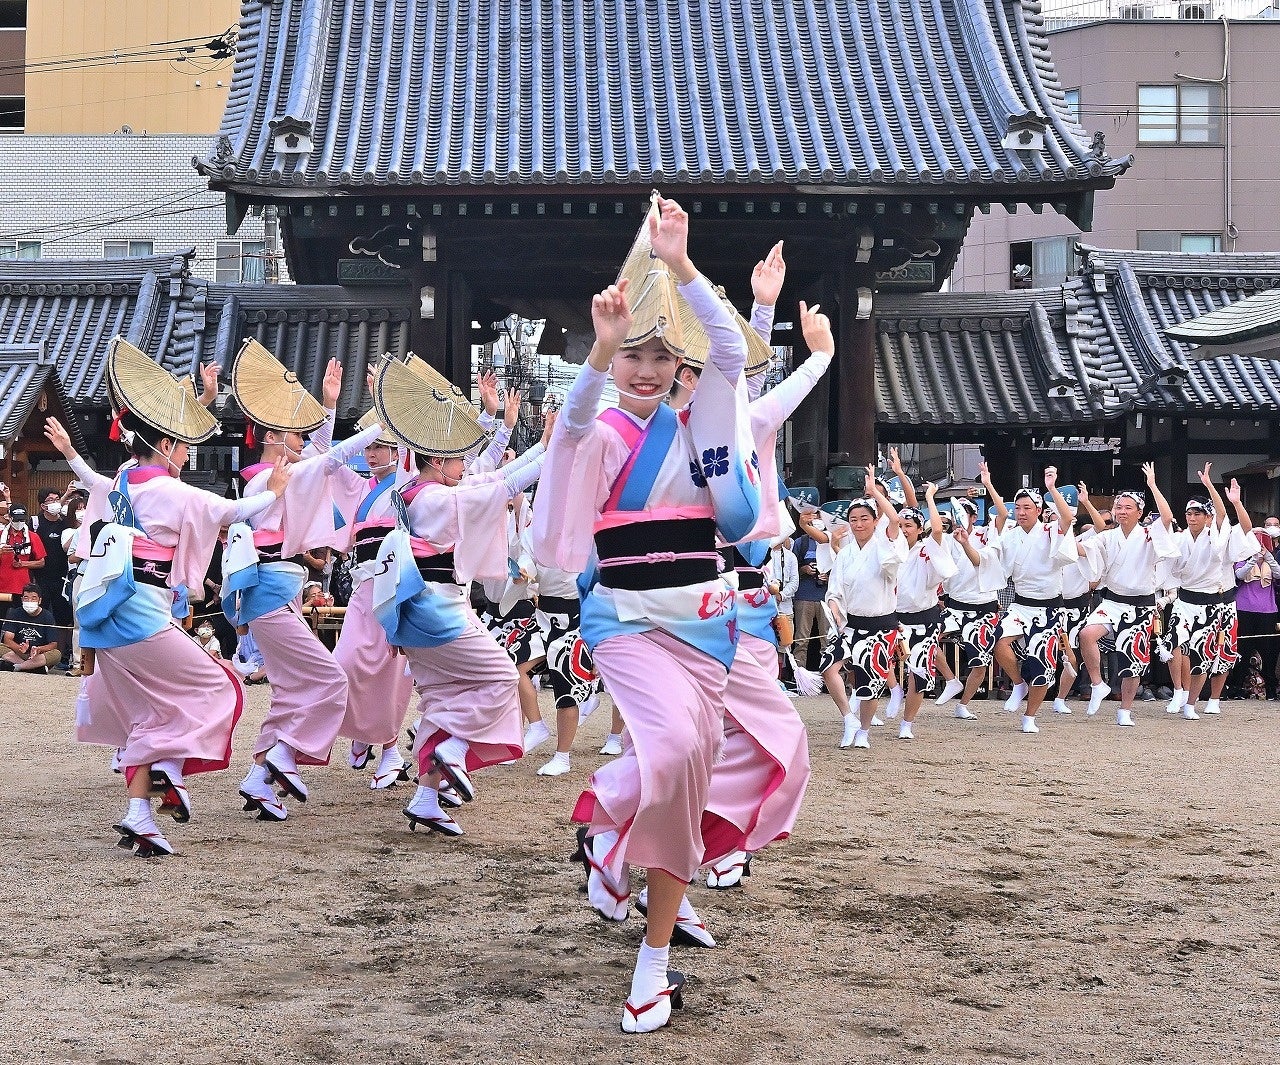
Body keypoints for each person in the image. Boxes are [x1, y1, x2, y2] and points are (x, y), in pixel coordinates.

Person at [532, 195, 761, 1033]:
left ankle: (653, 959)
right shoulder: (596, 433)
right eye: (636, 353)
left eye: (662, 355)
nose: (648, 369)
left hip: (704, 631)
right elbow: (571, 421)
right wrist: (601, 346)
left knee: (688, 773)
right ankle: (610, 834)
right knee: (666, 752)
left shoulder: (704, 427)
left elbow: (733, 350)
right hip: (627, 623)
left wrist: (684, 265)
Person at [43, 339, 289, 857]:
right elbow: (233, 513)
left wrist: (202, 400)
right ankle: (171, 769)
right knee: (221, 687)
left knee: (151, 709)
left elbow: (94, 478)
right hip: (139, 610)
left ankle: (140, 813)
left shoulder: (122, 482)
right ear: (164, 446)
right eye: (180, 447)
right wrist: (276, 491)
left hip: (107, 613)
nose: (186, 454)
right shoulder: (171, 492)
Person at [368, 353, 543, 838]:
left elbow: (488, 477)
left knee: (442, 698)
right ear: (437, 461)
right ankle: (456, 749)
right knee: (502, 678)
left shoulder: (409, 492)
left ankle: (427, 797)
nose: (464, 465)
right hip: (438, 610)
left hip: (413, 613)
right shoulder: (437, 500)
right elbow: (499, 484)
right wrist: (556, 448)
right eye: (456, 458)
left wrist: (532, 443)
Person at [226, 342, 384, 820]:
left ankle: (260, 778)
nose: (302, 440)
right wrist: (387, 421)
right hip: (270, 594)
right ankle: (284, 753)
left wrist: (329, 406)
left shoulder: (276, 476)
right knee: (331, 679)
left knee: (292, 689)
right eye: (295, 434)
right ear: (274, 437)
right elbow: (330, 459)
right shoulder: (264, 481)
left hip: (276, 593)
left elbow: (320, 457)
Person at [799, 474, 905, 749]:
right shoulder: (845, 553)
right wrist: (835, 609)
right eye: (854, 519)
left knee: (869, 684)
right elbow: (834, 590)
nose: (858, 524)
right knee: (828, 667)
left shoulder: (885, 545)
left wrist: (874, 492)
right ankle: (849, 718)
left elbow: (894, 520)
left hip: (880, 625)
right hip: (850, 624)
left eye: (864, 519)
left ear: (875, 520)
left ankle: (864, 731)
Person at [1077, 464, 1178, 726]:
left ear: (1139, 512)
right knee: (1086, 634)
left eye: (1127, 508)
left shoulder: (1150, 535)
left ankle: (1125, 710)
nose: (1121, 511)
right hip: (1112, 600)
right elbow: (1083, 550)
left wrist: (1152, 485)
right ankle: (1097, 684)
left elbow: (1167, 518)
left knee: (1132, 661)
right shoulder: (1108, 537)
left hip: (1141, 605)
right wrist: (1061, 536)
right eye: (1118, 507)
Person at [987, 467, 1077, 732]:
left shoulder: (1049, 531)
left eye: (1027, 507)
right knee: (998, 642)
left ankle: (1030, 716)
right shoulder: (1010, 536)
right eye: (1018, 508)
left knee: (1041, 666)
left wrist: (1051, 488)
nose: (1021, 512)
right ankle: (1017, 683)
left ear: (1039, 510)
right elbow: (992, 559)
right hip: (1020, 604)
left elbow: (1067, 518)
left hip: (1049, 608)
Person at [1167, 467, 1255, 718]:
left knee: (1221, 650)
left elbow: (1245, 528)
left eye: (1198, 513)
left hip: (1221, 599)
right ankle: (1179, 691)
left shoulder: (1220, 536)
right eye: (1189, 513)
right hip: (1187, 599)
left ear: (1209, 517)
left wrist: (1229, 498)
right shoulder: (1180, 538)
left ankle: (1213, 698)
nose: (1192, 518)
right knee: (1174, 644)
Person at [893, 483, 959, 740]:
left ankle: (907, 723)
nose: (903, 530)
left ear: (920, 529)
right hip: (894, 618)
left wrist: (930, 497)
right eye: (900, 525)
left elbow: (938, 530)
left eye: (909, 526)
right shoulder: (890, 549)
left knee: (918, 673)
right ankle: (892, 692)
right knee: (873, 662)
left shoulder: (928, 548)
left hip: (924, 619)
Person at [933, 493, 1005, 720]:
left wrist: (988, 484)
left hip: (983, 607)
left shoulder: (987, 533)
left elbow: (1003, 515)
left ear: (974, 517)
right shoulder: (947, 539)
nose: (959, 519)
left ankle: (963, 704)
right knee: (927, 640)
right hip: (955, 605)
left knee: (980, 662)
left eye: (964, 514)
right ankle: (951, 680)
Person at [1232, 528, 1280, 700]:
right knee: (1242, 649)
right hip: (1244, 609)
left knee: (1268, 652)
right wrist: (1253, 559)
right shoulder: (1241, 559)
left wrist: (1268, 557)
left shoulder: (1271, 561)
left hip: (1267, 610)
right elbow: (1239, 574)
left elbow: (1278, 573)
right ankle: (1237, 688)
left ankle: (1271, 689)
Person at [1, 583, 61, 672]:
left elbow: (53, 644)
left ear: (39, 600)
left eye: (33, 598)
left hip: (37, 655)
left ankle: (19, 667)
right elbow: (7, 639)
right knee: (1, 647)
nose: (29, 601)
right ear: (22, 599)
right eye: (26, 598)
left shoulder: (47, 616)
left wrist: (39, 649)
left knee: (56, 654)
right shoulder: (15, 613)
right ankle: (33, 668)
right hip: (18, 653)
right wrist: (20, 649)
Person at [0, 503, 46, 600]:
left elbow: (41, 562)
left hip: (23, 586)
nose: (19, 523)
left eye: (22, 520)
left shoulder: (33, 536)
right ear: (10, 518)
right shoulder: (1, 535)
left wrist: (22, 564)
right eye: (16, 520)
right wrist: (1, 551)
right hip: (2, 585)